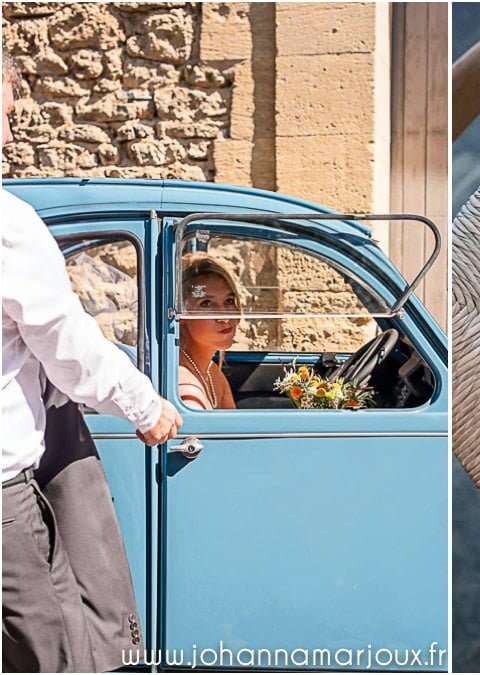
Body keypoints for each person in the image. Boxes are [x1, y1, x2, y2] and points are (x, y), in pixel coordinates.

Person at [2, 54, 183, 671]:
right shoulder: (6, 224)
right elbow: (66, 343)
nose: (7, 135)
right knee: (55, 649)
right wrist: (146, 405)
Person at [178, 253, 240, 410]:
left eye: (229, 301)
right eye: (206, 303)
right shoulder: (184, 384)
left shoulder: (212, 372)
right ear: (182, 314)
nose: (225, 317)